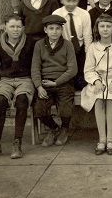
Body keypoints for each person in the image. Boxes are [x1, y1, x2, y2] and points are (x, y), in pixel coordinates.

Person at [0, 14, 36, 160]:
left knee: (22, 101)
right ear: (5, 27)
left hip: (25, 79)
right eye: (12, 26)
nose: (15, 30)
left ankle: (17, 143)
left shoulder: (30, 43)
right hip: (5, 80)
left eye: (18, 26)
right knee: (0, 101)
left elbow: (36, 65)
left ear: (23, 28)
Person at [80, 14, 112, 155]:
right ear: (97, 29)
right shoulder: (93, 47)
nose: (105, 29)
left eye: (108, 26)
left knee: (111, 96)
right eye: (102, 26)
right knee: (99, 96)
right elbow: (88, 69)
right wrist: (96, 81)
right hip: (98, 79)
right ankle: (101, 139)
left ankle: (110, 139)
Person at [31, 15, 78, 147]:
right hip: (45, 84)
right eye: (51, 28)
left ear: (62, 30)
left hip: (63, 82)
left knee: (65, 110)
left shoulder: (68, 45)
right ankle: (54, 128)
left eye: (58, 28)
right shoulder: (39, 45)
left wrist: (57, 82)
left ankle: (64, 129)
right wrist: (39, 86)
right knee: (39, 110)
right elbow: (35, 68)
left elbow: (72, 69)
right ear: (45, 30)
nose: (54, 31)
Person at [53, 0, 92, 91]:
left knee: (81, 82)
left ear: (78, 0)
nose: (71, 4)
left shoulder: (84, 14)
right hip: (63, 50)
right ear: (62, 0)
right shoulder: (57, 14)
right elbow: (55, 37)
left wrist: (88, 58)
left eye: (74, 1)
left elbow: (87, 37)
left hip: (79, 50)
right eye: (68, 1)